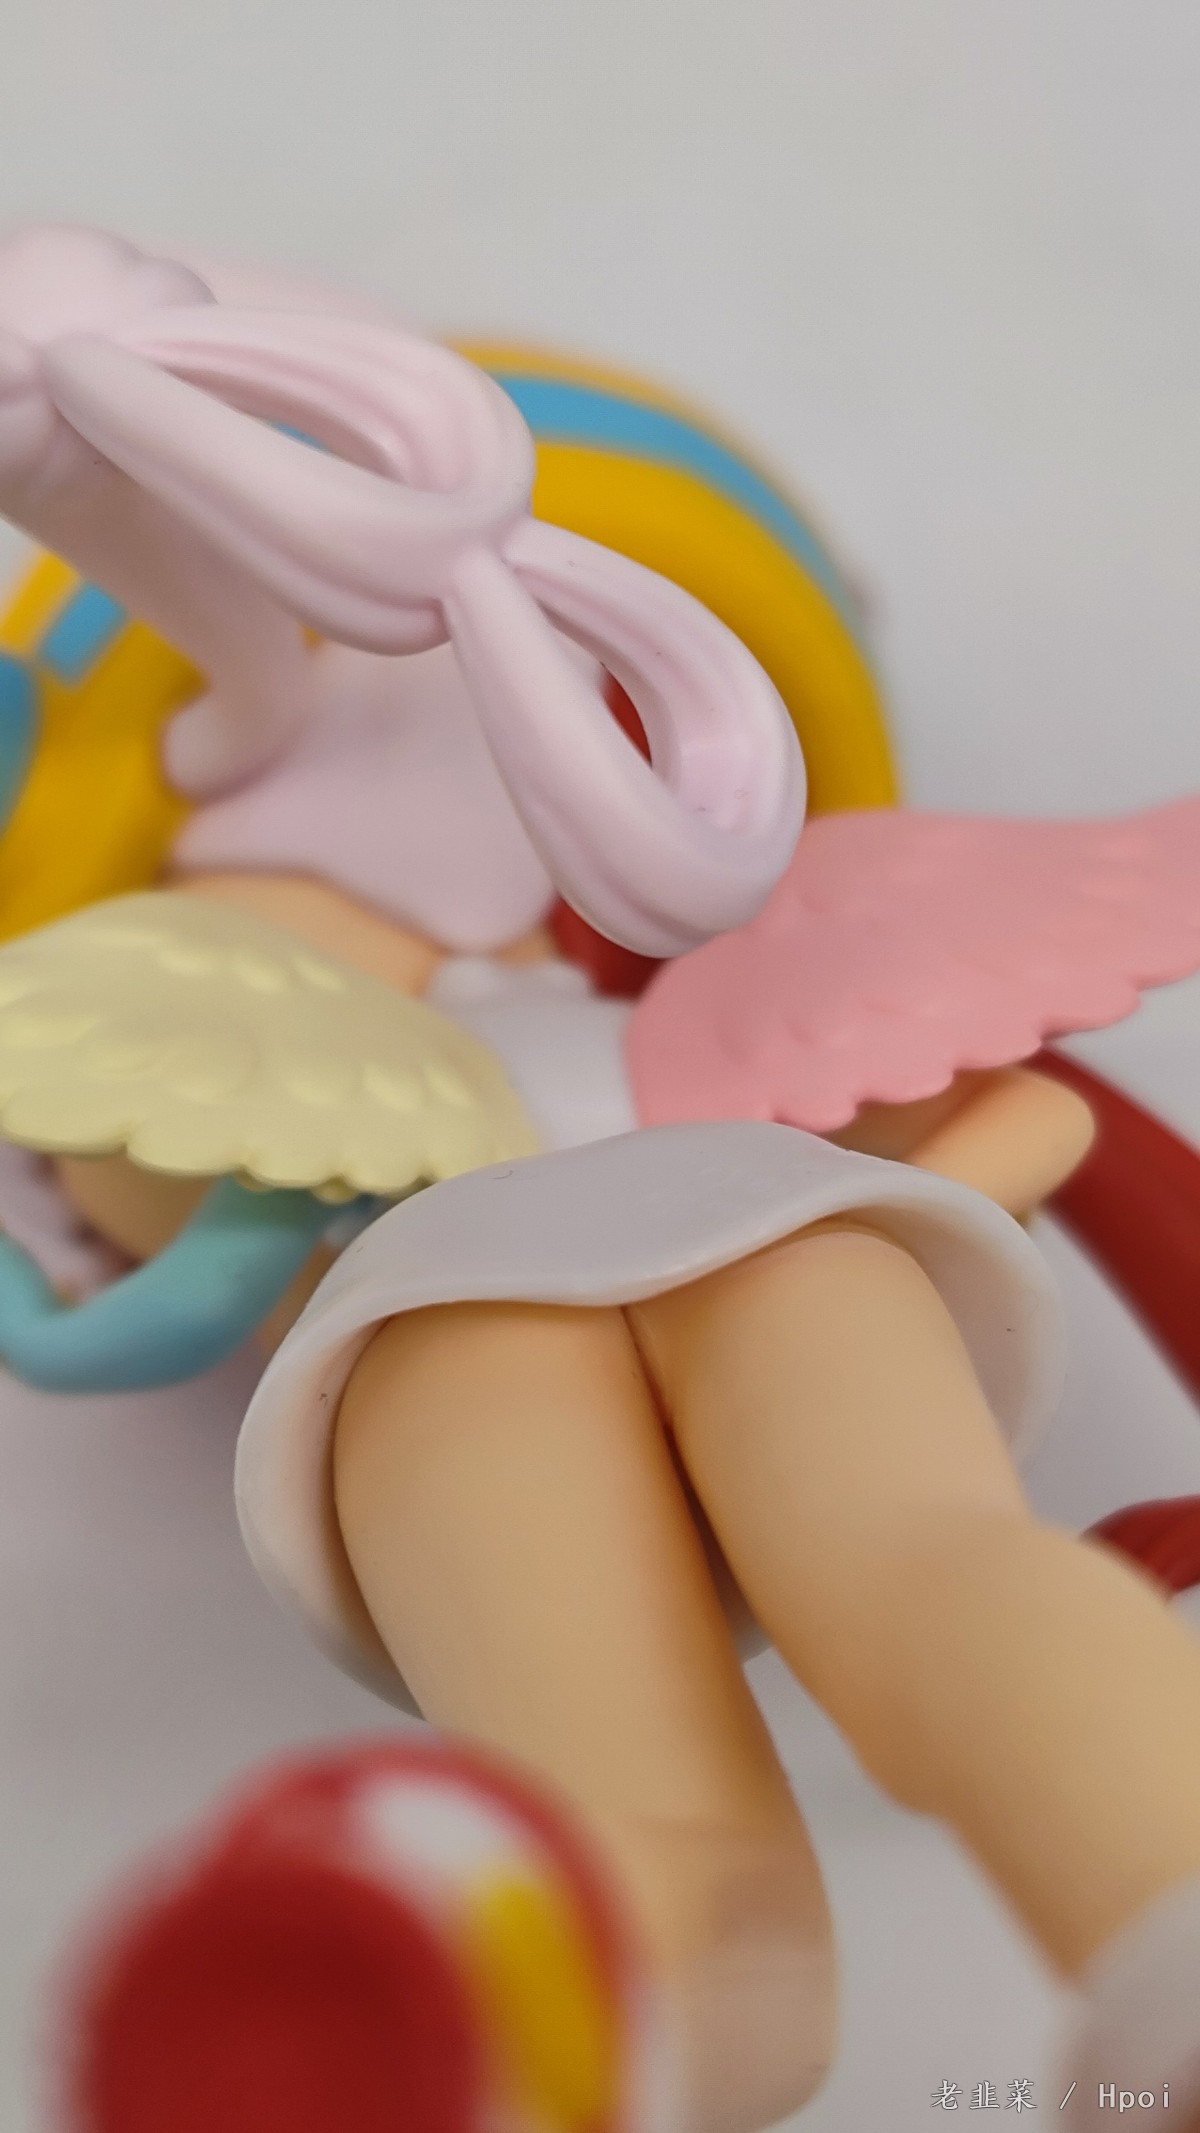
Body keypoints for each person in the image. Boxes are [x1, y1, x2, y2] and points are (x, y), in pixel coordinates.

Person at [2, 223, 1200, 2130]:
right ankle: (504, 2021)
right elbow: (185, 1210)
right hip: (581, 1262)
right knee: (877, 1599)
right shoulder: (244, 964)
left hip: (541, 1273)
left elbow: (184, 1234)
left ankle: (524, 1996)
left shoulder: (263, 960)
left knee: (723, 1699)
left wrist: (89, 1261)